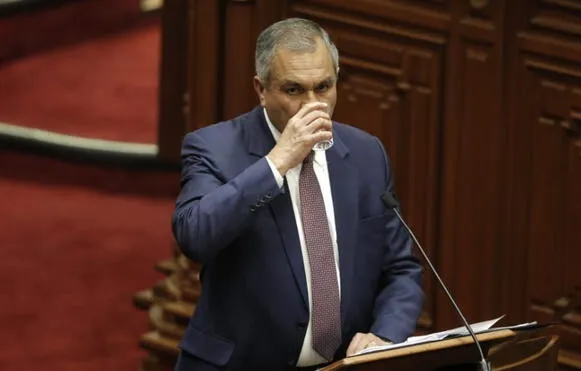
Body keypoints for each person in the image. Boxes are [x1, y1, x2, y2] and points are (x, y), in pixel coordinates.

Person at [171, 17, 424, 371]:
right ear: (261, 89)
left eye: (324, 87)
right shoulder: (214, 148)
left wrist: (386, 335)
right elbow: (195, 235)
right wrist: (276, 163)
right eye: (294, 90)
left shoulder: (367, 155)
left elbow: (400, 270)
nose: (312, 104)